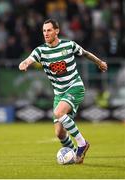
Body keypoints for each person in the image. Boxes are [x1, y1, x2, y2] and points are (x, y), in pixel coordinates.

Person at [19, 19, 108, 164]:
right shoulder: (41, 51)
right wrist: (24, 63)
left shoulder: (69, 45)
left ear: (57, 31)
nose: (46, 33)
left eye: (49, 30)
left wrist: (99, 62)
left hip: (75, 87)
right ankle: (74, 155)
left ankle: (82, 144)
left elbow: (85, 53)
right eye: (44, 31)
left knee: (59, 113)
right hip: (59, 93)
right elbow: (29, 59)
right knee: (59, 133)